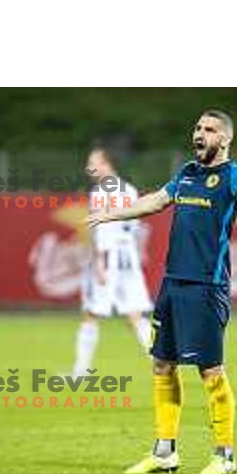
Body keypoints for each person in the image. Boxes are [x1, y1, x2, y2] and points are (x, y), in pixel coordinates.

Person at [88, 110, 237, 474]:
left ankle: (225, 456)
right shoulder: (187, 173)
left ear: (224, 139)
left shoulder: (234, 175)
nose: (199, 134)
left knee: (210, 371)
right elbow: (156, 201)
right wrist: (113, 214)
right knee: (161, 364)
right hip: (172, 284)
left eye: (209, 129)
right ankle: (164, 452)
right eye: (197, 127)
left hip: (207, 287)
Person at [72, 148, 153, 377]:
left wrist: (100, 261)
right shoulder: (129, 189)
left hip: (109, 256)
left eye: (93, 163)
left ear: (107, 164)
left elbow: (102, 229)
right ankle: (162, 365)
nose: (89, 168)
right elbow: (137, 227)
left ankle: (81, 371)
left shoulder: (100, 192)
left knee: (91, 311)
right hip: (128, 255)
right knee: (134, 314)